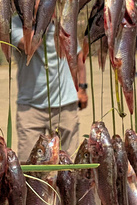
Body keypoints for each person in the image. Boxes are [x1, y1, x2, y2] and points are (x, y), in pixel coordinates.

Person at [11, 13, 84, 162]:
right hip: (30, 108)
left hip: (65, 104)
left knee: (67, 163)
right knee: (28, 164)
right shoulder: (16, 23)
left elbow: (78, 57)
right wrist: (44, 21)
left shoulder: (63, 23)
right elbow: (29, 45)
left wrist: (82, 88)